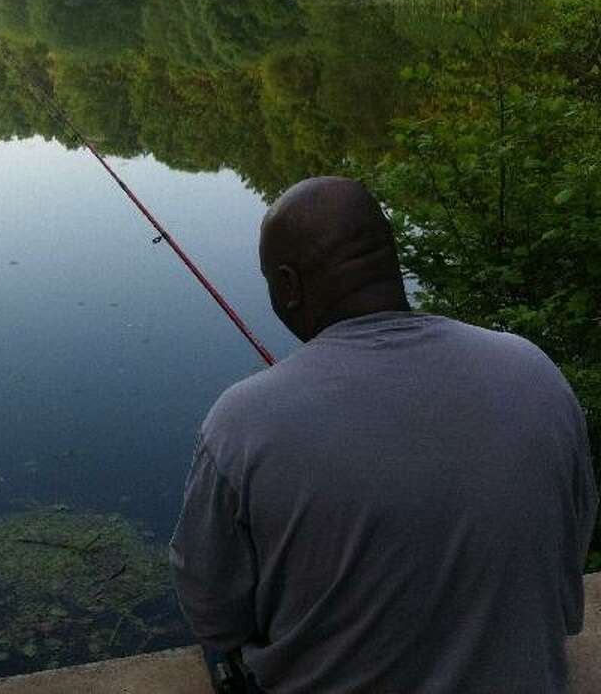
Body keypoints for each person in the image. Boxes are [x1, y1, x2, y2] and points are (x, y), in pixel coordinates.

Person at [170, 176, 598, 693]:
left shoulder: (241, 423)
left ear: (288, 285)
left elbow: (213, 614)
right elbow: (570, 556)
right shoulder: (533, 371)